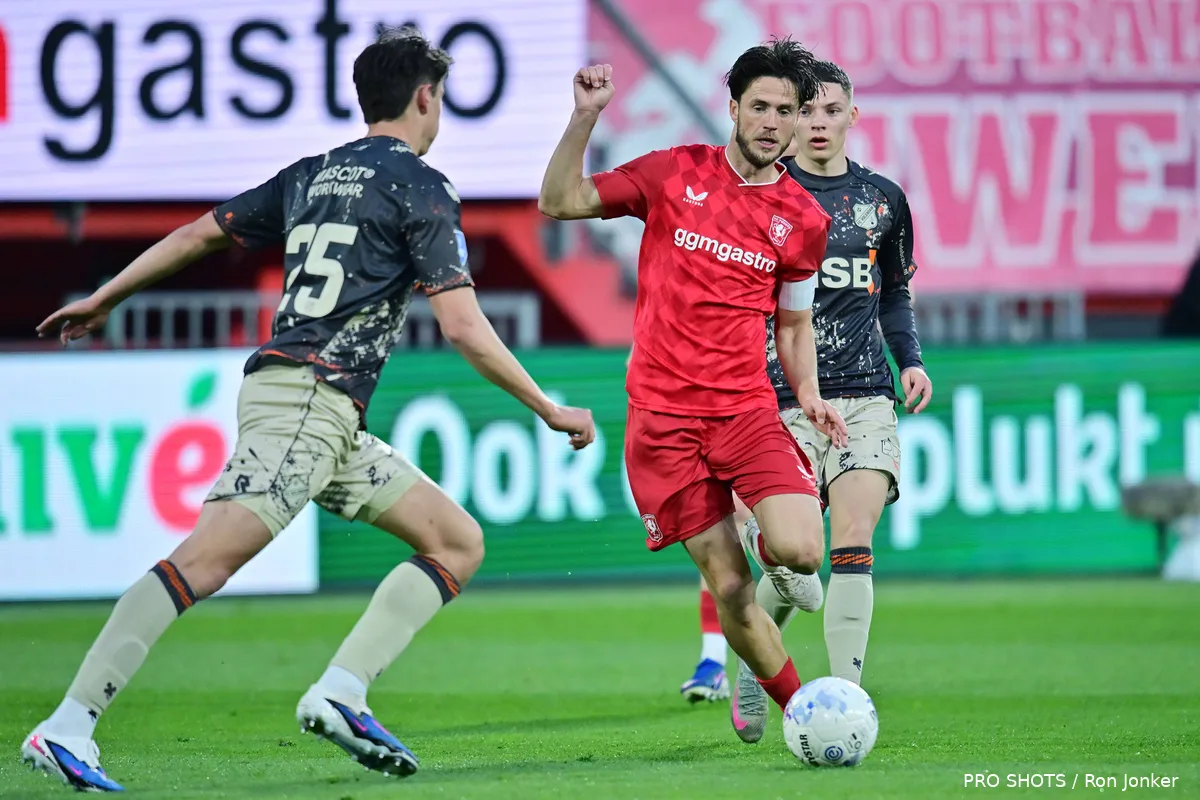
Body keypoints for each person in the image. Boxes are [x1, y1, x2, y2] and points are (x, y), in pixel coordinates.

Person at [21, 27, 595, 792]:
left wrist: (103, 299)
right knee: (206, 560)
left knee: (455, 540)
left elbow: (199, 233)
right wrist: (545, 407)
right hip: (307, 401)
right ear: (426, 97)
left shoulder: (313, 174)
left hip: (328, 413)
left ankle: (343, 690)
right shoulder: (422, 185)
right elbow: (461, 325)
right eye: (442, 97)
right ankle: (67, 724)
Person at [540, 38, 849, 737]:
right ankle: (805, 715)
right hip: (662, 427)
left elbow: (793, 327)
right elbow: (559, 200)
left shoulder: (804, 221)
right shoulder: (673, 174)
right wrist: (584, 116)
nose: (773, 122)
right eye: (761, 106)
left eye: (788, 111)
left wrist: (806, 392)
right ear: (734, 107)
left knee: (801, 551)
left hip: (745, 414)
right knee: (731, 590)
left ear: (801, 121)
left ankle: (766, 551)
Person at [727, 60, 933, 744]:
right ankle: (755, 667)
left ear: (852, 116)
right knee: (789, 561)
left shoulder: (882, 201)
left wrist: (910, 362)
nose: (816, 124)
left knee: (853, 541)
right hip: (777, 398)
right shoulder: (761, 194)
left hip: (866, 396)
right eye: (805, 111)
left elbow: (896, 292)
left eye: (829, 111)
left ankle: (845, 695)